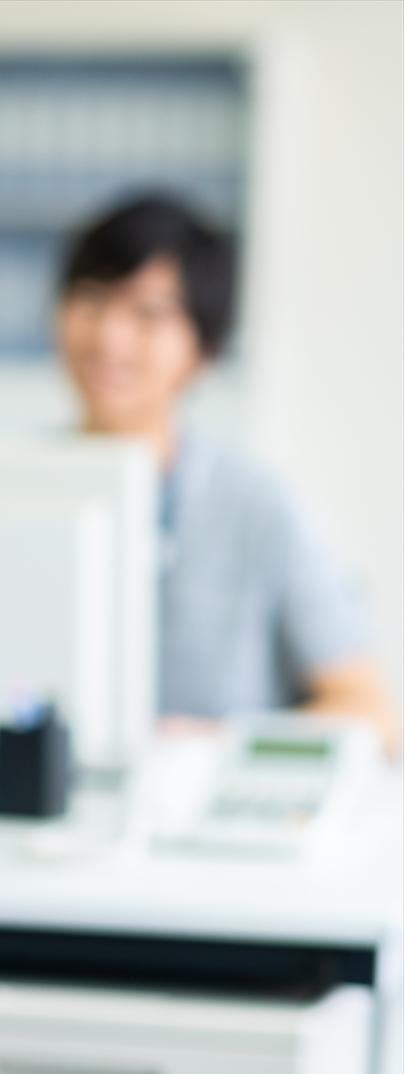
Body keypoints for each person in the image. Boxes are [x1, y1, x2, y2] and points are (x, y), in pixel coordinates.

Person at [56, 194, 396, 754]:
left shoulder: (261, 506)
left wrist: (218, 747)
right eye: (90, 300)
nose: (109, 337)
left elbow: (371, 713)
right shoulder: (13, 494)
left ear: (203, 351)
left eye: (147, 314)